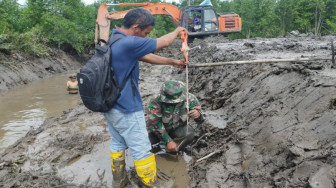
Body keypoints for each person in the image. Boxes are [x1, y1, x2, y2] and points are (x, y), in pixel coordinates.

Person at [103, 8, 187, 188]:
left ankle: (119, 182)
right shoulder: (129, 42)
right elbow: (164, 42)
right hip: (126, 108)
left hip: (111, 106)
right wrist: (177, 30)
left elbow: (144, 56)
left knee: (118, 143)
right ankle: (151, 185)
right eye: (146, 33)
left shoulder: (115, 40)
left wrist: (172, 62)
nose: (145, 37)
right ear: (135, 27)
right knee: (142, 150)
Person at [147, 80, 205, 154]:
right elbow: (155, 123)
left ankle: (171, 151)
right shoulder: (156, 100)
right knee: (144, 142)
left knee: (189, 133)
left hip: (176, 129)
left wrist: (198, 115)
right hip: (157, 131)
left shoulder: (190, 98)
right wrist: (168, 141)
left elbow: (201, 120)